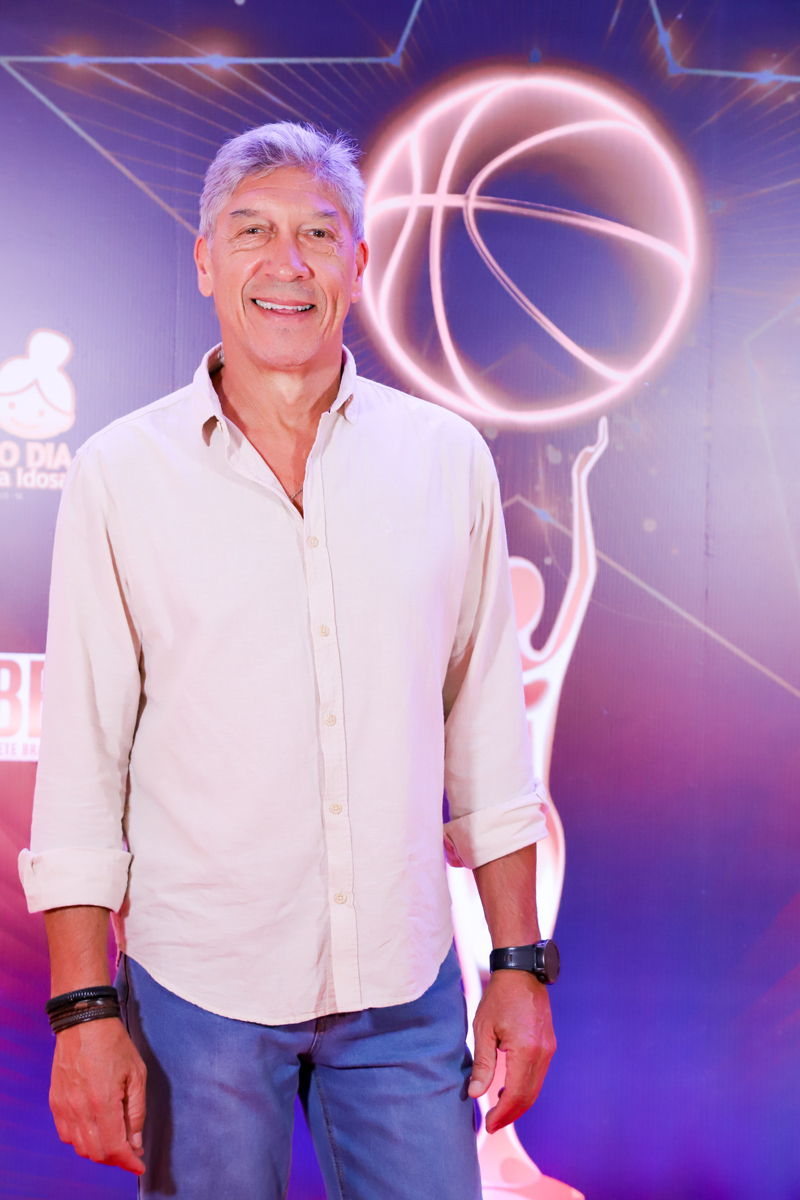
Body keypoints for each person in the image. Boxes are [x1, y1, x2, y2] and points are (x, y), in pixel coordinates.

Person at [19, 122, 557, 1200]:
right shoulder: (123, 475)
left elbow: (489, 742)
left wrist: (516, 964)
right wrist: (83, 1013)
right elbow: (81, 769)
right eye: (251, 230)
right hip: (197, 993)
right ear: (204, 259)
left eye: (318, 233)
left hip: (404, 987)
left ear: (358, 263)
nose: (287, 262)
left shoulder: (443, 460)